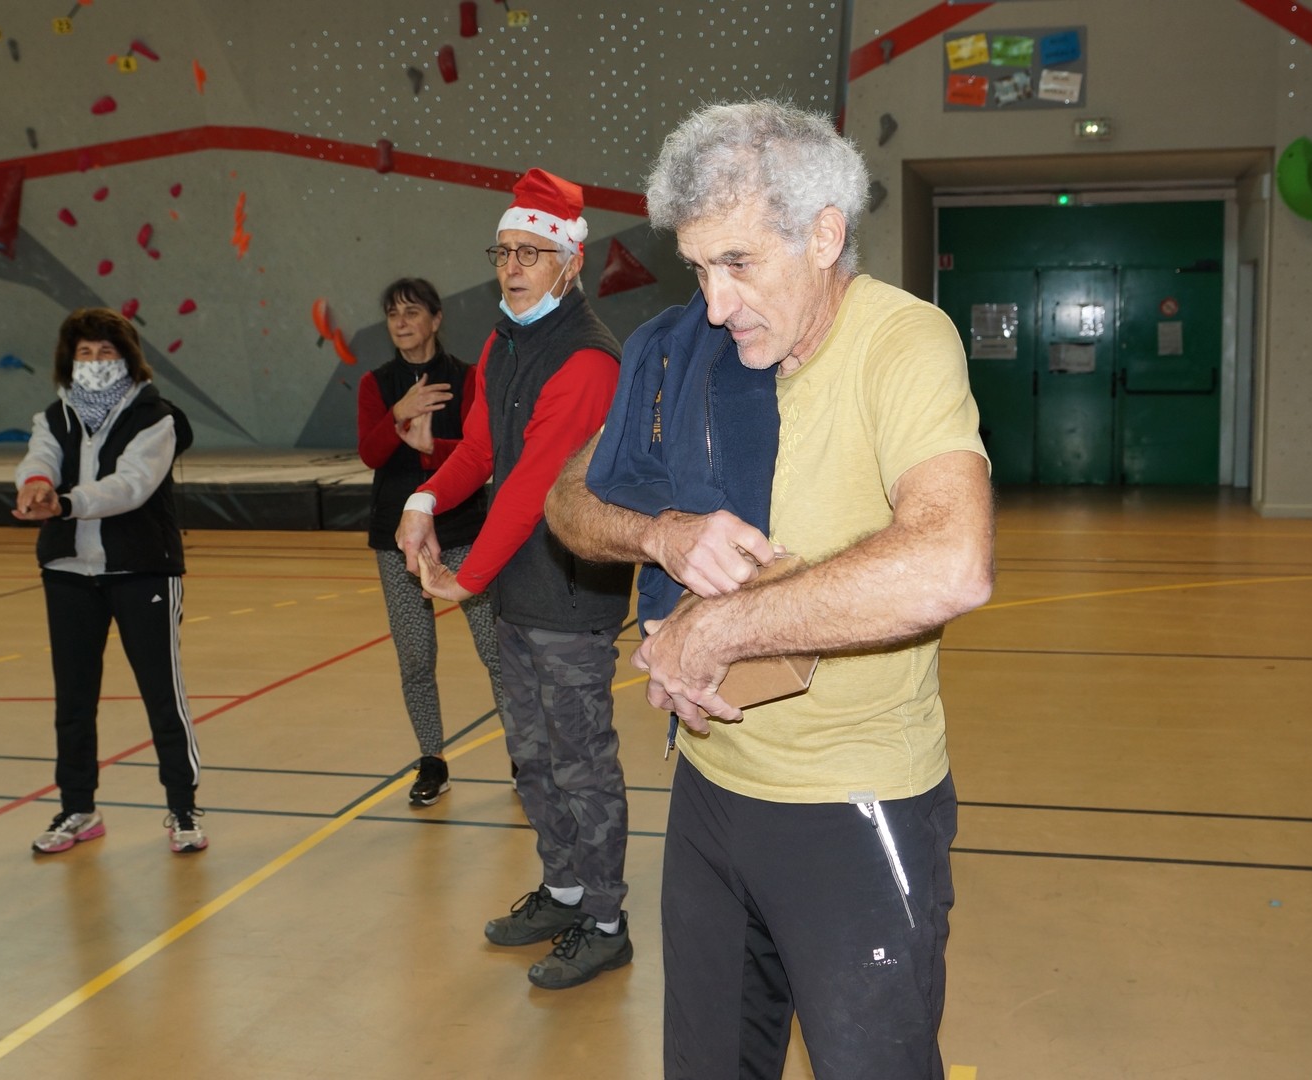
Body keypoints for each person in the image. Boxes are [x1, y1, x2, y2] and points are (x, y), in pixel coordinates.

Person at [544, 100, 995, 1078]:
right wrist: (660, 534)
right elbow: (568, 501)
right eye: (698, 267)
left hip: (857, 802)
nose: (713, 301)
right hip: (713, 798)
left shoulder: (902, 344)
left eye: (739, 264)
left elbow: (951, 558)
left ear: (824, 234)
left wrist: (726, 627)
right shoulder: (693, 355)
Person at [395, 168, 635, 991]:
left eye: (532, 252)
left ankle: (606, 919)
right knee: (532, 758)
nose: (513, 267)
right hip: (519, 593)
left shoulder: (588, 362)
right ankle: (564, 891)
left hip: (572, 594)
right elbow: (481, 451)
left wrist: (465, 581)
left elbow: (533, 482)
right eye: (503, 251)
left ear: (570, 261)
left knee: (581, 762)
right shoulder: (504, 341)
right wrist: (424, 497)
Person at [15, 307, 208, 856]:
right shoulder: (54, 416)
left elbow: (132, 485)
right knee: (74, 698)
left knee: (161, 694)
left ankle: (182, 806)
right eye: (84, 353)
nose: (95, 362)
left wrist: (67, 502)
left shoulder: (156, 417)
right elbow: (41, 457)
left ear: (126, 359)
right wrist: (34, 486)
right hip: (69, 574)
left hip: (141, 570)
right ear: (68, 361)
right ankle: (78, 807)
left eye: (106, 353)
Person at [357, 277, 505, 807]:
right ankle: (432, 759)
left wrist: (428, 450)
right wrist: (397, 413)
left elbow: (477, 454)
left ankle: (521, 755)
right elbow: (372, 455)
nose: (401, 322)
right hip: (398, 542)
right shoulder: (377, 384)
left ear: (436, 319)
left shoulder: (466, 377)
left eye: (412, 312)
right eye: (392, 313)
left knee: (495, 650)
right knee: (416, 658)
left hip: (463, 532)